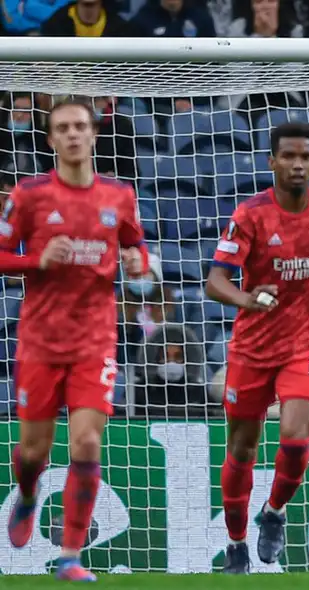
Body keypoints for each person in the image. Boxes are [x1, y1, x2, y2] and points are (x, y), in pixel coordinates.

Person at [3, 97, 149, 582]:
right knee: (33, 451)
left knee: (86, 443)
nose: (71, 134)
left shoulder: (119, 196)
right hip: (41, 340)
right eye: (61, 127)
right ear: (50, 139)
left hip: (95, 340)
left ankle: (70, 556)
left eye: (79, 126)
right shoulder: (28, 195)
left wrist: (137, 263)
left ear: (93, 134)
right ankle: (26, 494)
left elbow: (134, 242)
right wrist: (36, 261)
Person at [205, 122, 309, 574]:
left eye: (305, 157)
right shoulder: (251, 216)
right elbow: (214, 282)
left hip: (306, 343)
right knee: (243, 450)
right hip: (252, 350)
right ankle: (236, 545)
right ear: (272, 162)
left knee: (294, 435)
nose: (297, 164)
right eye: (288, 156)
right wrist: (248, 299)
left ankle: (274, 512)